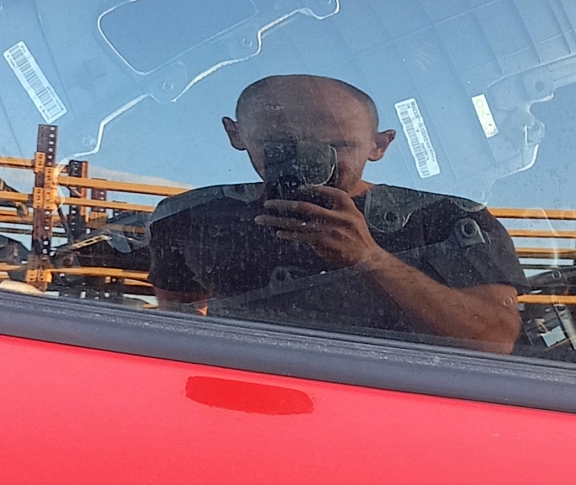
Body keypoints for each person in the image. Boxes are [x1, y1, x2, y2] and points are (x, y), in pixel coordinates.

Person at [146, 73, 525, 353]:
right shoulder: (191, 220)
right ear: (236, 135)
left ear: (380, 145)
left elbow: (495, 339)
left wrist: (370, 258)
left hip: (398, 408)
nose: (309, 161)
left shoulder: (447, 221)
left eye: (338, 146)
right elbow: (179, 323)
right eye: (279, 144)